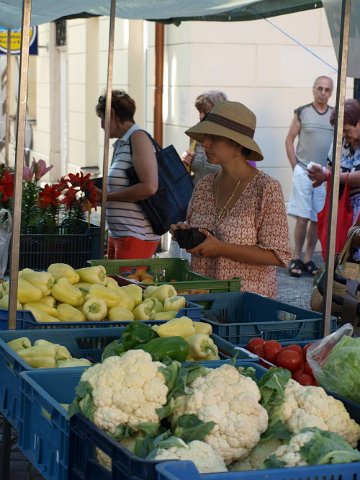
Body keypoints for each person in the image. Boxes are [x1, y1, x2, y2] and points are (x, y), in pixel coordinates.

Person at [171, 101, 292, 299]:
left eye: (214, 137)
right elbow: (201, 235)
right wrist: (186, 234)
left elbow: (278, 255)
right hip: (202, 300)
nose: (205, 143)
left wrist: (221, 248)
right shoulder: (204, 185)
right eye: (205, 136)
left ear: (237, 143)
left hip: (247, 304)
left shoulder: (266, 188)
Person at [95, 90, 160, 259]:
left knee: (126, 286)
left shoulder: (138, 138)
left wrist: (107, 197)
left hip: (136, 234)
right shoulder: (121, 143)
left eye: (102, 118)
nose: (102, 125)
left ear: (113, 114)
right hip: (121, 234)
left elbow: (149, 187)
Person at [286, 75, 334, 277]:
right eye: (319, 88)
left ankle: (308, 259)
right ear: (313, 89)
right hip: (304, 170)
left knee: (316, 217)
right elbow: (289, 139)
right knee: (303, 217)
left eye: (327, 90)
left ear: (331, 92)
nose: (323, 93)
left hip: (324, 175)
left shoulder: (335, 115)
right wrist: (295, 166)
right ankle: (295, 257)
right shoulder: (302, 112)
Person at [308, 98, 360, 226]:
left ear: (358, 122)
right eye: (339, 130)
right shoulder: (339, 143)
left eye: (346, 130)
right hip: (343, 213)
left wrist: (330, 176)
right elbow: (329, 168)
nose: (342, 135)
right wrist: (323, 176)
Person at [182, 90, 228, 184]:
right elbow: (190, 169)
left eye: (205, 112)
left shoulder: (232, 139)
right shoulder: (195, 136)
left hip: (223, 197)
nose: (200, 115)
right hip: (196, 195)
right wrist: (185, 160)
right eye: (199, 111)